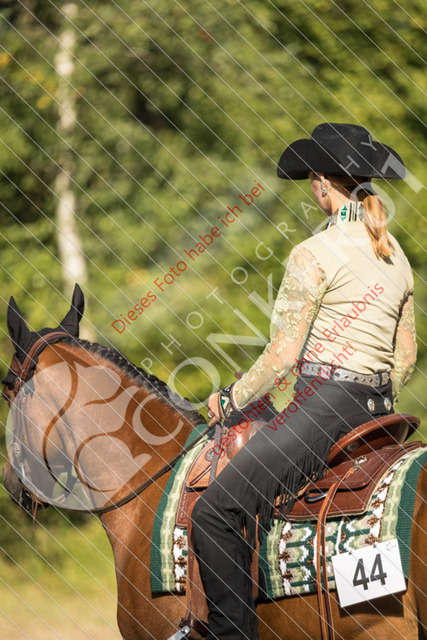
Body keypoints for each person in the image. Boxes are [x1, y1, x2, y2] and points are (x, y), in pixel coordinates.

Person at [191, 123, 417, 640]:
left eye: (312, 180)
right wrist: (373, 394)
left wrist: (229, 398)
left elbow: (283, 355)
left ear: (321, 183)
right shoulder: (395, 255)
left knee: (214, 513)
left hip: (324, 409)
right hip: (382, 413)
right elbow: (405, 357)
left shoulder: (312, 253)